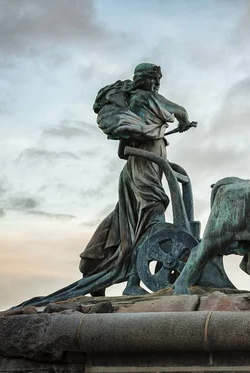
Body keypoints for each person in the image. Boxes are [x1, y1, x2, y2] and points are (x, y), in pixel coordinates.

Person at [79, 63, 195, 295]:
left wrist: (154, 145)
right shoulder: (146, 99)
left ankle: (95, 263)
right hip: (143, 175)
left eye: (158, 79)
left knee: (129, 222)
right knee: (152, 220)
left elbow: (123, 151)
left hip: (138, 172)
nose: (157, 83)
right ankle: (132, 283)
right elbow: (181, 111)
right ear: (144, 80)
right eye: (154, 79)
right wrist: (181, 124)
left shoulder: (137, 115)